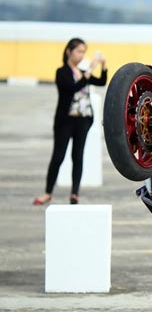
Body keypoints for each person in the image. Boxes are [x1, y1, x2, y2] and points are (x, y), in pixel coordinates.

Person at [33, 38, 107, 206]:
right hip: (65, 121)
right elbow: (73, 88)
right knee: (58, 156)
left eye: (83, 52)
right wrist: (90, 69)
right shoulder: (62, 72)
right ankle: (48, 192)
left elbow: (101, 81)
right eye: (79, 51)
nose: (82, 55)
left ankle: (75, 193)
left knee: (77, 156)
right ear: (69, 52)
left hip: (83, 120)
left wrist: (104, 65)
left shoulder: (83, 71)